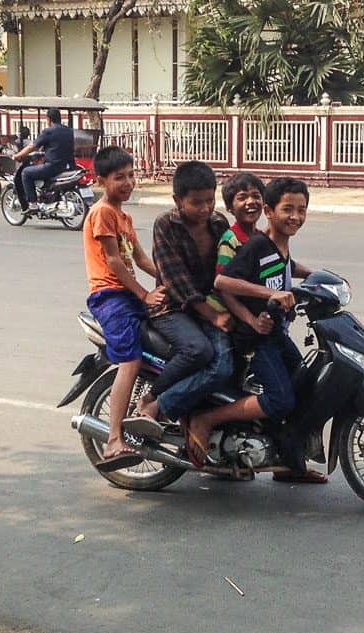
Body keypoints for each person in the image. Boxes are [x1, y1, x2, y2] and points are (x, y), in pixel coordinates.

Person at [186, 177, 319, 478]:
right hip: (254, 340)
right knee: (280, 398)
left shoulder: (279, 247)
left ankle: (288, 464)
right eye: (288, 209)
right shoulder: (258, 245)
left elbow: (288, 267)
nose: (295, 216)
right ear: (270, 211)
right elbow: (223, 283)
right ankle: (206, 419)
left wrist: (322, 278)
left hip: (275, 333)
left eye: (301, 210)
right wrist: (255, 311)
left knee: (304, 383)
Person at [129, 162, 234, 431]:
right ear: (178, 200)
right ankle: (153, 398)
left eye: (210, 200)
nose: (205, 209)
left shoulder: (219, 222)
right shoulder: (166, 225)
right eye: (196, 202)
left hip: (209, 304)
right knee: (199, 350)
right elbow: (177, 281)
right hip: (172, 308)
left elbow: (231, 263)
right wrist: (214, 316)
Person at [83, 146, 163, 469]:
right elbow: (115, 262)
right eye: (120, 178)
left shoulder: (124, 217)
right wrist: (145, 295)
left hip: (126, 296)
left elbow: (141, 259)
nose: (128, 183)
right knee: (130, 361)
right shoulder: (102, 213)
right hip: (110, 297)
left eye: (131, 175)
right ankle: (114, 438)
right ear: (101, 180)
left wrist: (175, 279)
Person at [13, 107, 75, 213]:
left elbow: (32, 147)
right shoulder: (69, 131)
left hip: (52, 167)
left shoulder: (48, 131)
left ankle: (32, 203)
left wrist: (18, 155)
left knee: (26, 173)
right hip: (66, 166)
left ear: (49, 119)